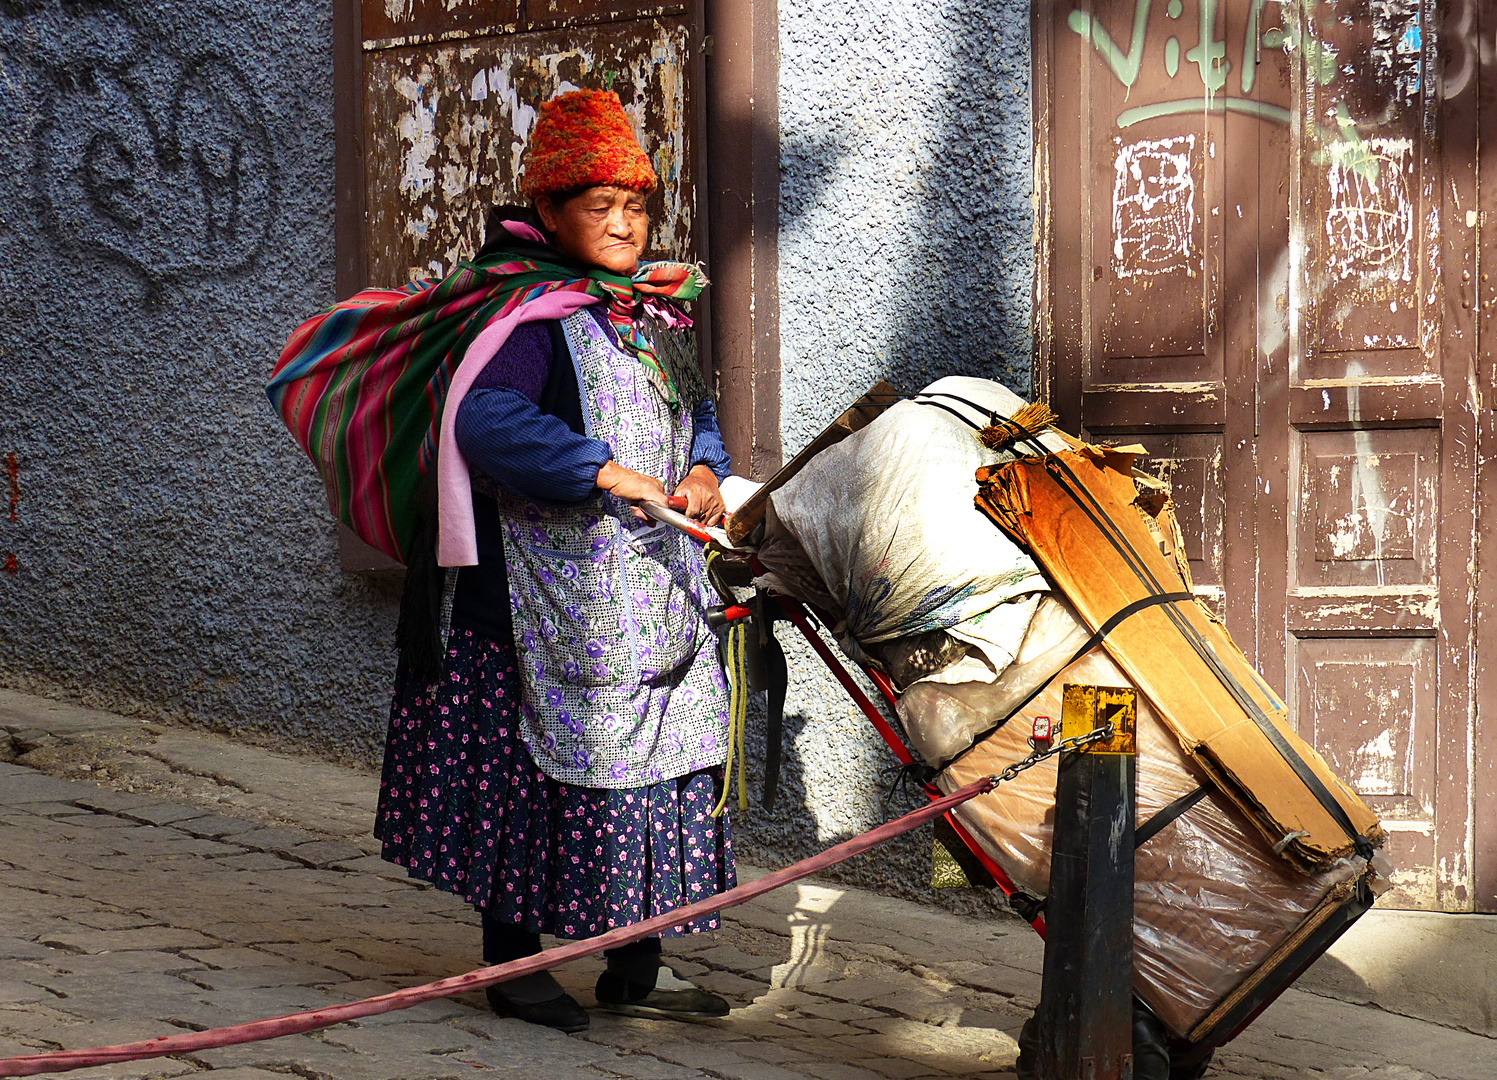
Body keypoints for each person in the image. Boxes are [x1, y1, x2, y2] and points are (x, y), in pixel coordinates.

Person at [373, 89, 736, 1034]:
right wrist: (597, 467)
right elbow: (487, 421)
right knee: (536, 775)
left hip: (655, 587)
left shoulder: (654, 315)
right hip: (542, 604)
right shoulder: (530, 319)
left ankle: (638, 962)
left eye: (636, 206)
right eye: (598, 207)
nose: (623, 225)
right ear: (547, 214)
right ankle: (514, 963)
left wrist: (702, 467)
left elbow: (694, 410)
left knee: (661, 757)